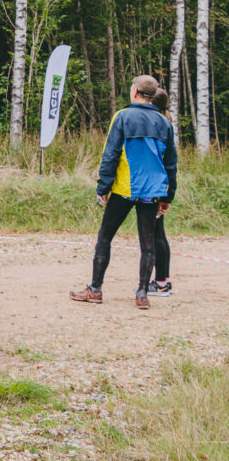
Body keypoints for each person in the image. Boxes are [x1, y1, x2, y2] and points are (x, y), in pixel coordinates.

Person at [70, 75, 177, 310]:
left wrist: (103, 187)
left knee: (105, 237)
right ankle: (142, 294)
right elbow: (170, 164)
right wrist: (168, 195)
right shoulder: (165, 123)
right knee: (147, 244)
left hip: (124, 189)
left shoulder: (122, 116)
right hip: (152, 192)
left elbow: (111, 154)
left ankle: (95, 289)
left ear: (135, 92)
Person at [149, 88, 174, 297]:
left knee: (156, 235)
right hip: (161, 185)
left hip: (157, 184)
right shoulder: (164, 122)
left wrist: (167, 195)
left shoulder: (158, 124)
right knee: (159, 234)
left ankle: (161, 282)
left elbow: (167, 162)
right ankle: (163, 280)